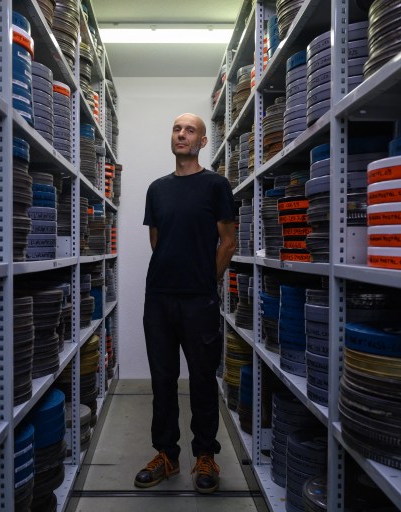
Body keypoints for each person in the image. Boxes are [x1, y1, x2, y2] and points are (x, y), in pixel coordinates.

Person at [134, 113, 236, 494]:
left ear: (202, 141)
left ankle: (205, 455)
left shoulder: (216, 186)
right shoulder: (157, 189)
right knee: (162, 380)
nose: (181, 134)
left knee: (203, 380)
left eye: (190, 130)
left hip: (199, 300)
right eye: (177, 129)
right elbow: (157, 241)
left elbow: (228, 242)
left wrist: (205, 282)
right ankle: (167, 455)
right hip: (159, 298)